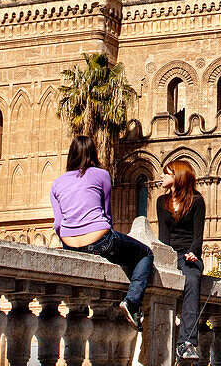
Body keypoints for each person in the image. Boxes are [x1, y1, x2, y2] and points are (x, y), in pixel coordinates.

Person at [50, 135, 153, 329]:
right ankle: (132, 302)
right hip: (99, 239)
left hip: (69, 244)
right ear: (92, 154)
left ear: (71, 155)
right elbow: (107, 214)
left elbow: (58, 224)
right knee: (145, 253)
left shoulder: (57, 184)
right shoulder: (102, 175)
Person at [157, 160, 206, 362]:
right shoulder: (162, 202)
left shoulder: (197, 201)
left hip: (189, 255)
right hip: (170, 254)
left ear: (177, 177)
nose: (161, 177)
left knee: (192, 281)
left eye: (166, 173)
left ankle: (187, 342)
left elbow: (198, 235)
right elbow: (163, 236)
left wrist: (193, 252)